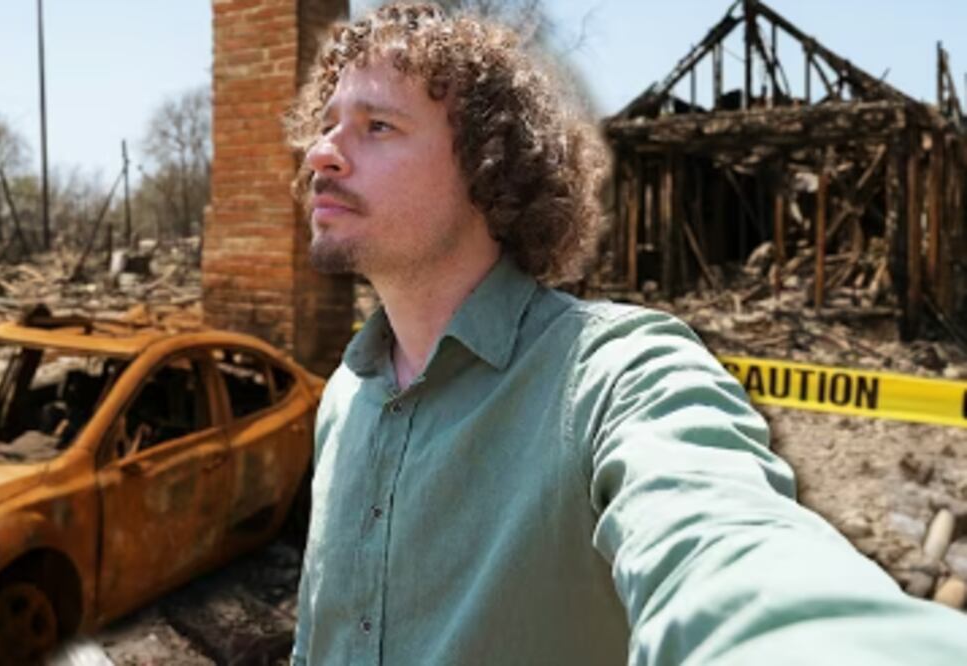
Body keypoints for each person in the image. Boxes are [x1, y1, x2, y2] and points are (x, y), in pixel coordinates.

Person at [285, 4, 967, 664]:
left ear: (488, 170)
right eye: (326, 124)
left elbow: (720, 542)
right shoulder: (347, 394)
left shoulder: (615, 376)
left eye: (377, 125)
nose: (321, 153)